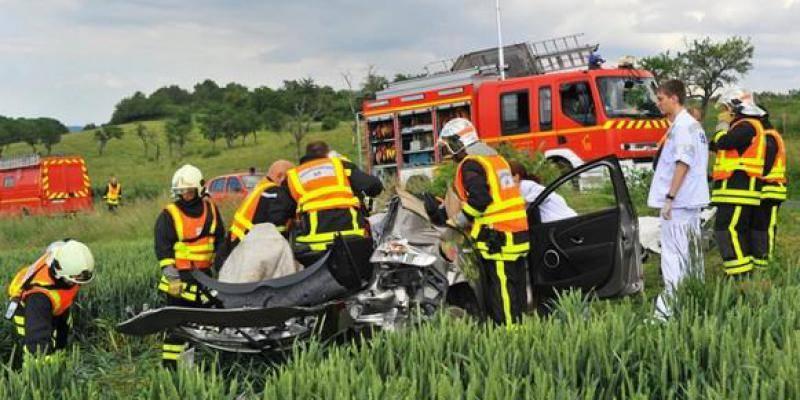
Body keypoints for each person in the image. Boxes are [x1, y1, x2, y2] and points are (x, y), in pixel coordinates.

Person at [429, 118, 529, 325]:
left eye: (449, 146)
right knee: (516, 285)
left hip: (499, 236)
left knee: (503, 289)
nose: (449, 153)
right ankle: (521, 327)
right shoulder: (496, 159)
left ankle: (509, 333)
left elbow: (481, 200)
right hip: (517, 231)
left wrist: (457, 221)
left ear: (459, 143)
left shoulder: (471, 164)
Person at [647, 80, 709, 320]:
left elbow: (683, 162)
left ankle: (667, 314)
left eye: (661, 98)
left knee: (673, 257)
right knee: (690, 256)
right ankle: (693, 307)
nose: (658, 103)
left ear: (674, 98)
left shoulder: (683, 127)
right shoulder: (692, 126)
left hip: (679, 203)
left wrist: (670, 198)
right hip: (690, 202)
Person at [154, 164, 225, 367]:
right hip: (180, 281)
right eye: (181, 191)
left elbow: (220, 239)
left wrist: (222, 265)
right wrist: (172, 278)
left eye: (189, 190)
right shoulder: (169, 214)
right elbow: (163, 249)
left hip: (205, 278)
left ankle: (206, 362)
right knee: (177, 327)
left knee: (209, 322)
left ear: (200, 189)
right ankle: (171, 367)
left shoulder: (211, 208)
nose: (184, 195)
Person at [283, 141, 383, 264]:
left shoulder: (293, 176)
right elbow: (374, 186)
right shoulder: (340, 165)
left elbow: (285, 210)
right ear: (327, 153)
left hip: (314, 245)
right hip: (351, 236)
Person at [710, 87, 769, 276]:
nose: (723, 112)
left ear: (735, 107)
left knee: (727, 231)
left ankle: (740, 276)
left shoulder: (747, 125)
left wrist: (721, 126)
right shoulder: (745, 126)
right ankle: (743, 274)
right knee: (735, 231)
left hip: (739, 191)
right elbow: (718, 146)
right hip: (735, 191)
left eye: (726, 108)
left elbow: (723, 142)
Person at [6, 240, 94, 361]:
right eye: (75, 279)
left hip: (55, 303)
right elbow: (37, 340)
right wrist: (49, 366)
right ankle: (32, 376)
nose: (77, 283)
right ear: (61, 273)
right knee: (35, 350)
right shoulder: (39, 297)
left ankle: (59, 355)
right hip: (27, 309)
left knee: (60, 335)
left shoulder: (65, 257)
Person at [752, 106, 787, 267]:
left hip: (771, 189)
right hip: (764, 189)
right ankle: (760, 258)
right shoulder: (767, 135)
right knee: (760, 226)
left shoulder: (768, 137)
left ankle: (767, 260)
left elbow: (764, 165)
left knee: (767, 226)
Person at [508, 160, 576, 223]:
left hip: (564, 222)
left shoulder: (525, 185)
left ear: (516, 177)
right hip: (564, 221)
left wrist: (523, 201)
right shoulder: (526, 186)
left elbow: (539, 194)